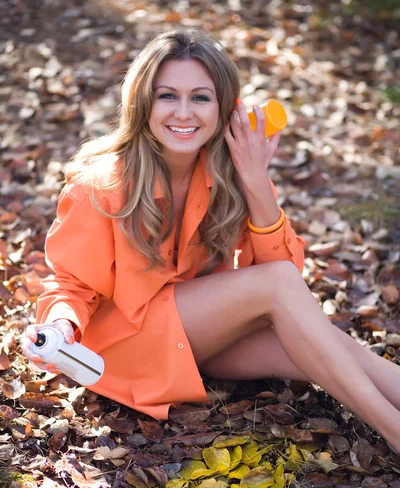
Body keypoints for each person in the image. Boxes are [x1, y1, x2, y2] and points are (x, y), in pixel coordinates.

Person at [23, 27, 400, 452]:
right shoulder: (101, 185)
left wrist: (256, 180)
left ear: (225, 108)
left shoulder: (227, 170)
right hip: (124, 348)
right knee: (278, 290)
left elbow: (287, 274)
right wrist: (60, 324)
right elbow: (71, 283)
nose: (183, 113)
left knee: (323, 342)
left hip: (195, 340)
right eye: (168, 96)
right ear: (143, 102)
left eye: (200, 97)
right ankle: (393, 430)